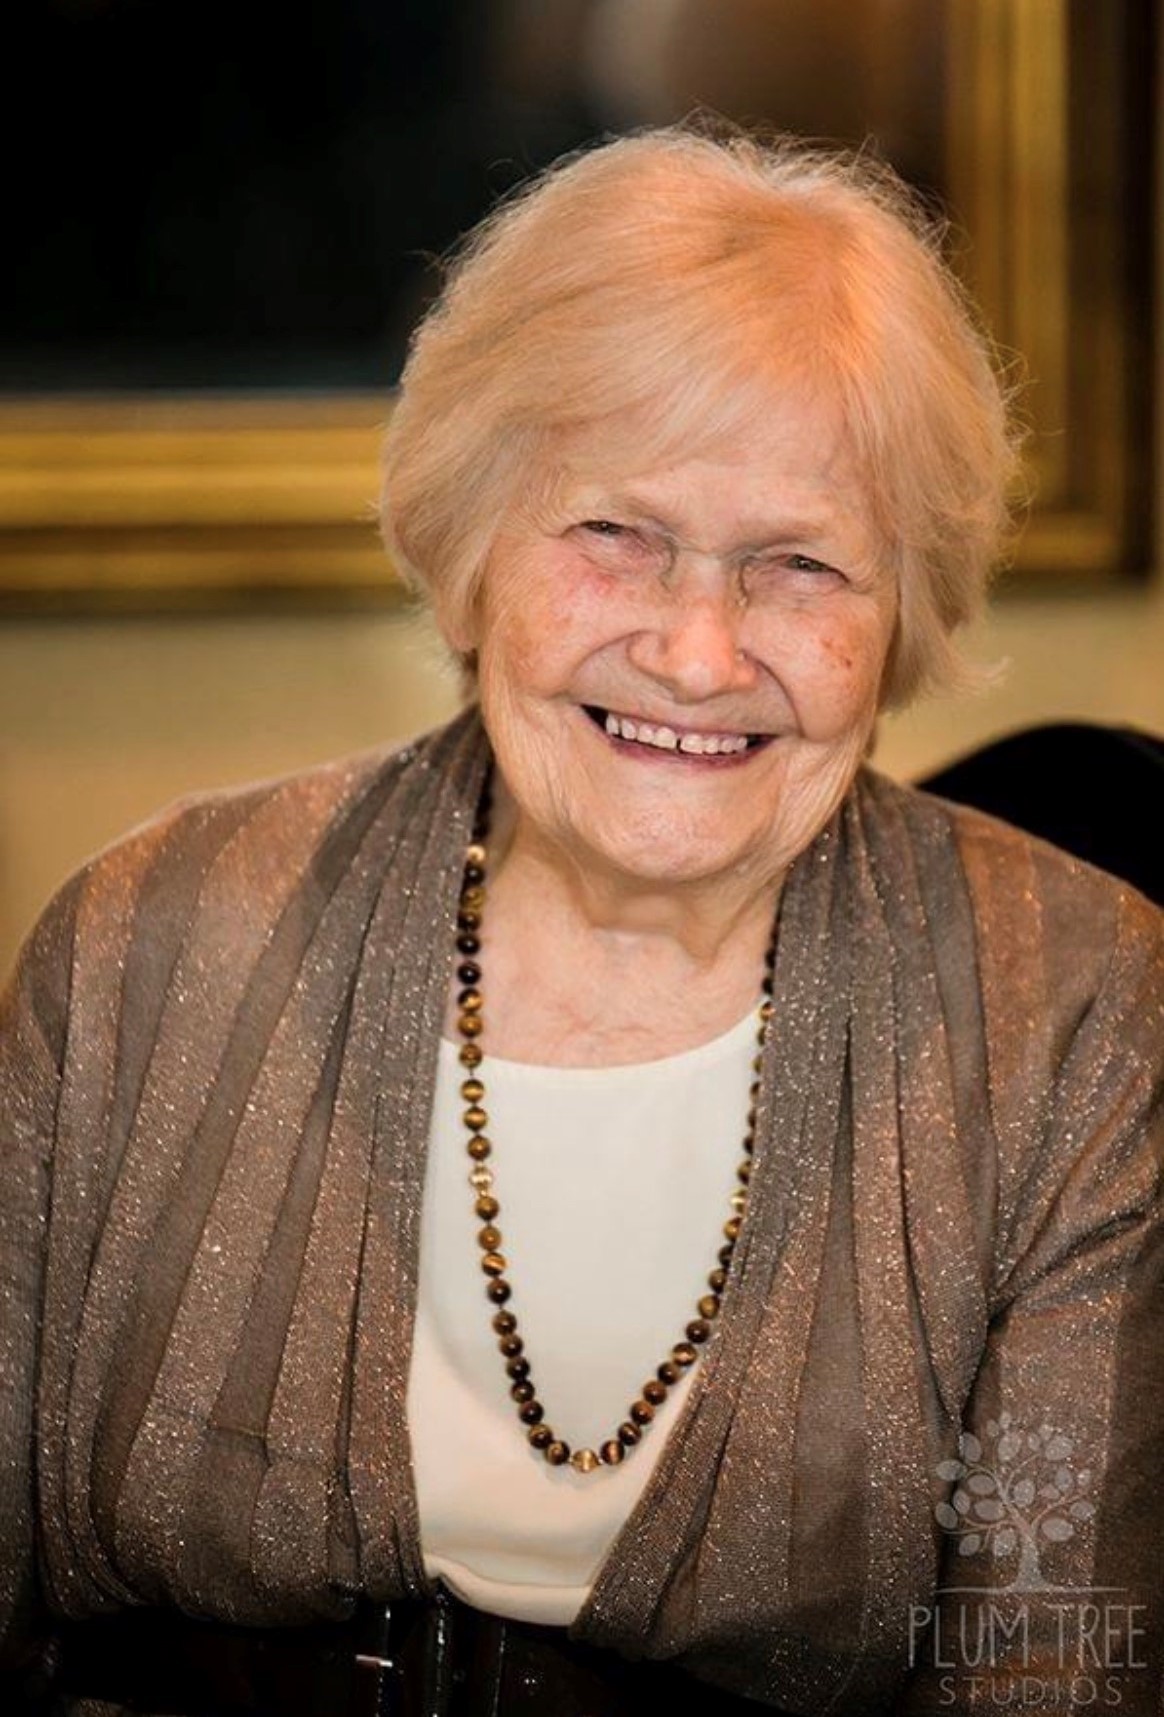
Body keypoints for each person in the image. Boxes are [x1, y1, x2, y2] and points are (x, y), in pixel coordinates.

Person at [1, 124, 1161, 1717]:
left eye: (799, 564)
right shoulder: (143, 945)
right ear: (474, 548)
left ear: (903, 614)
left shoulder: (1080, 1012)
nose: (697, 652)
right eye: (617, 533)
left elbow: (1051, 1672)